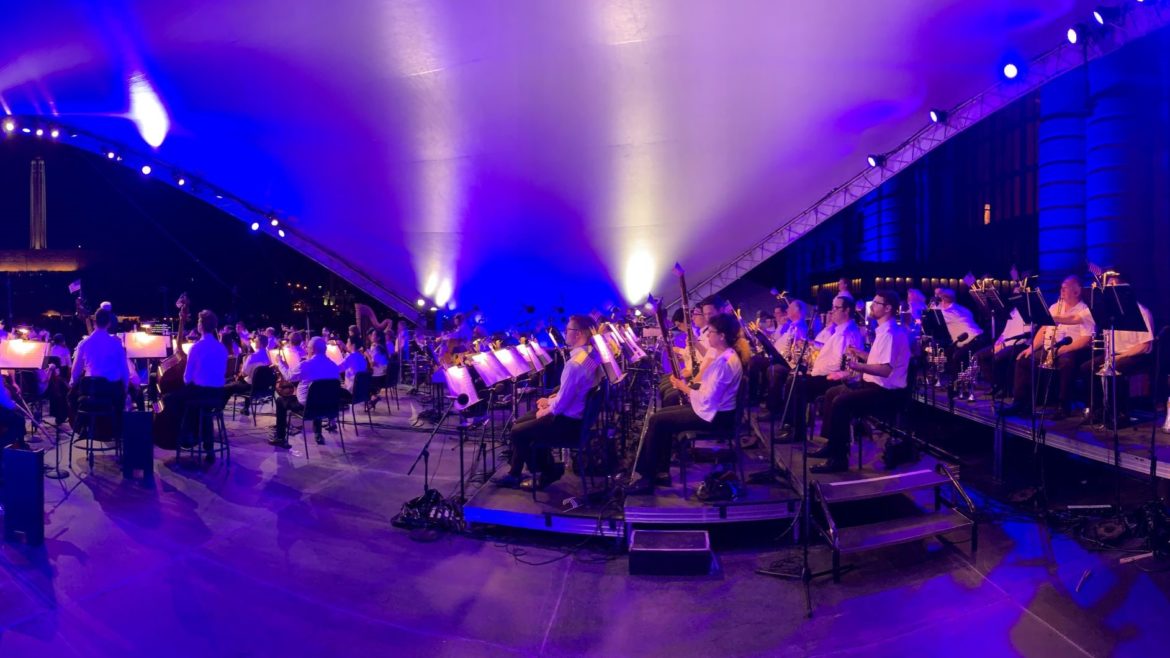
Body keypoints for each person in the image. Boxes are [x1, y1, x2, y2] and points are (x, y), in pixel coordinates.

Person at [630, 313, 743, 493]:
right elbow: (708, 390)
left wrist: (684, 388)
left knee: (657, 420)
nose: (708, 335)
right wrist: (689, 387)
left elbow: (708, 399)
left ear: (722, 336)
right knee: (659, 417)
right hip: (714, 411)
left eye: (711, 332)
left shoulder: (725, 362)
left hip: (716, 416)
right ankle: (660, 471)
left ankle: (647, 478)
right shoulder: (726, 355)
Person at [493, 315, 603, 490]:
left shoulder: (575, 364)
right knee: (520, 423)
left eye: (568, 330)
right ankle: (515, 473)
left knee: (517, 432)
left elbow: (561, 405)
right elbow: (575, 391)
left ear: (578, 334)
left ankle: (548, 470)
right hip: (577, 418)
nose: (565, 333)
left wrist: (547, 409)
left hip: (568, 424)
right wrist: (550, 400)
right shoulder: (589, 355)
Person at [811, 290, 911, 473]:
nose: (871, 306)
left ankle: (839, 459)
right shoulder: (884, 331)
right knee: (832, 392)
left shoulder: (889, 333)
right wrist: (860, 354)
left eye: (876, 303)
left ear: (888, 308)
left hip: (886, 393)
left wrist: (857, 366)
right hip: (875, 386)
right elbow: (878, 360)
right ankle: (833, 445)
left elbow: (885, 370)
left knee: (841, 402)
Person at [1004, 275, 1095, 419]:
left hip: (1069, 350)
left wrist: (1062, 349)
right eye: (1061, 288)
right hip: (1050, 349)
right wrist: (1031, 348)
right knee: (1024, 359)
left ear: (1076, 292)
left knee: (1066, 362)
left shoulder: (1084, 310)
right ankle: (1020, 402)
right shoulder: (1054, 307)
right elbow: (1043, 329)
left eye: (1065, 288)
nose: (1061, 290)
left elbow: (1086, 339)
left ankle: (1063, 406)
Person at [1079, 273, 1154, 426]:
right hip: (1114, 353)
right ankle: (1097, 410)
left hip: (1136, 355)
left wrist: (1119, 356)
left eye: (1113, 286)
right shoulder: (1108, 312)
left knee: (1115, 367)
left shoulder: (1142, 312)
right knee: (1087, 367)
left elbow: (1145, 345)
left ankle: (1119, 414)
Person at [788, 294, 865, 441]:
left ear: (847, 311)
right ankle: (793, 428)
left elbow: (838, 364)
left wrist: (815, 372)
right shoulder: (840, 330)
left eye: (836, 308)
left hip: (836, 379)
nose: (832, 311)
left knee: (797, 384)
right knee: (794, 378)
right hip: (827, 375)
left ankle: (796, 431)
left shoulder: (846, 333)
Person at [270, 336, 340, 448]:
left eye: (307, 347)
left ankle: (280, 437)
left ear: (312, 349)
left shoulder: (306, 364)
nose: (306, 349)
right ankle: (318, 434)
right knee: (318, 395)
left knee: (280, 400)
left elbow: (288, 376)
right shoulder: (333, 365)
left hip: (308, 406)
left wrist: (280, 363)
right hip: (328, 406)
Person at [934, 287, 986, 380]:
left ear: (943, 300)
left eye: (938, 296)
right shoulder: (961, 308)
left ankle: (957, 385)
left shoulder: (948, 313)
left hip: (973, 341)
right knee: (952, 355)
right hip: (980, 338)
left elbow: (932, 317)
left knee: (957, 358)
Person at [226, 334, 273, 416]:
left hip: (250, 387)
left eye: (256, 341)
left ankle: (218, 408)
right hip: (262, 387)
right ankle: (245, 408)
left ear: (260, 344)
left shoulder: (252, 357)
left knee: (227, 386)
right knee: (246, 379)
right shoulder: (269, 356)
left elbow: (244, 374)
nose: (254, 342)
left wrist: (244, 363)